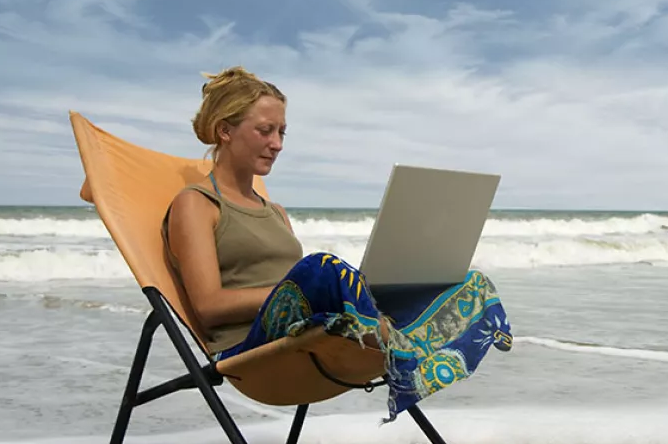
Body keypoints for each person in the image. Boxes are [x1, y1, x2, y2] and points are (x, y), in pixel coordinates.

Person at [162, 66, 512, 421]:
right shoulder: (196, 204)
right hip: (252, 354)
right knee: (322, 269)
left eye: (282, 132)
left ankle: (392, 333)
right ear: (225, 130)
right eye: (265, 131)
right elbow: (208, 306)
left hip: (309, 337)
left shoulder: (276, 212)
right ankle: (401, 342)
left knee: (464, 281)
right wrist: (303, 289)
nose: (277, 144)